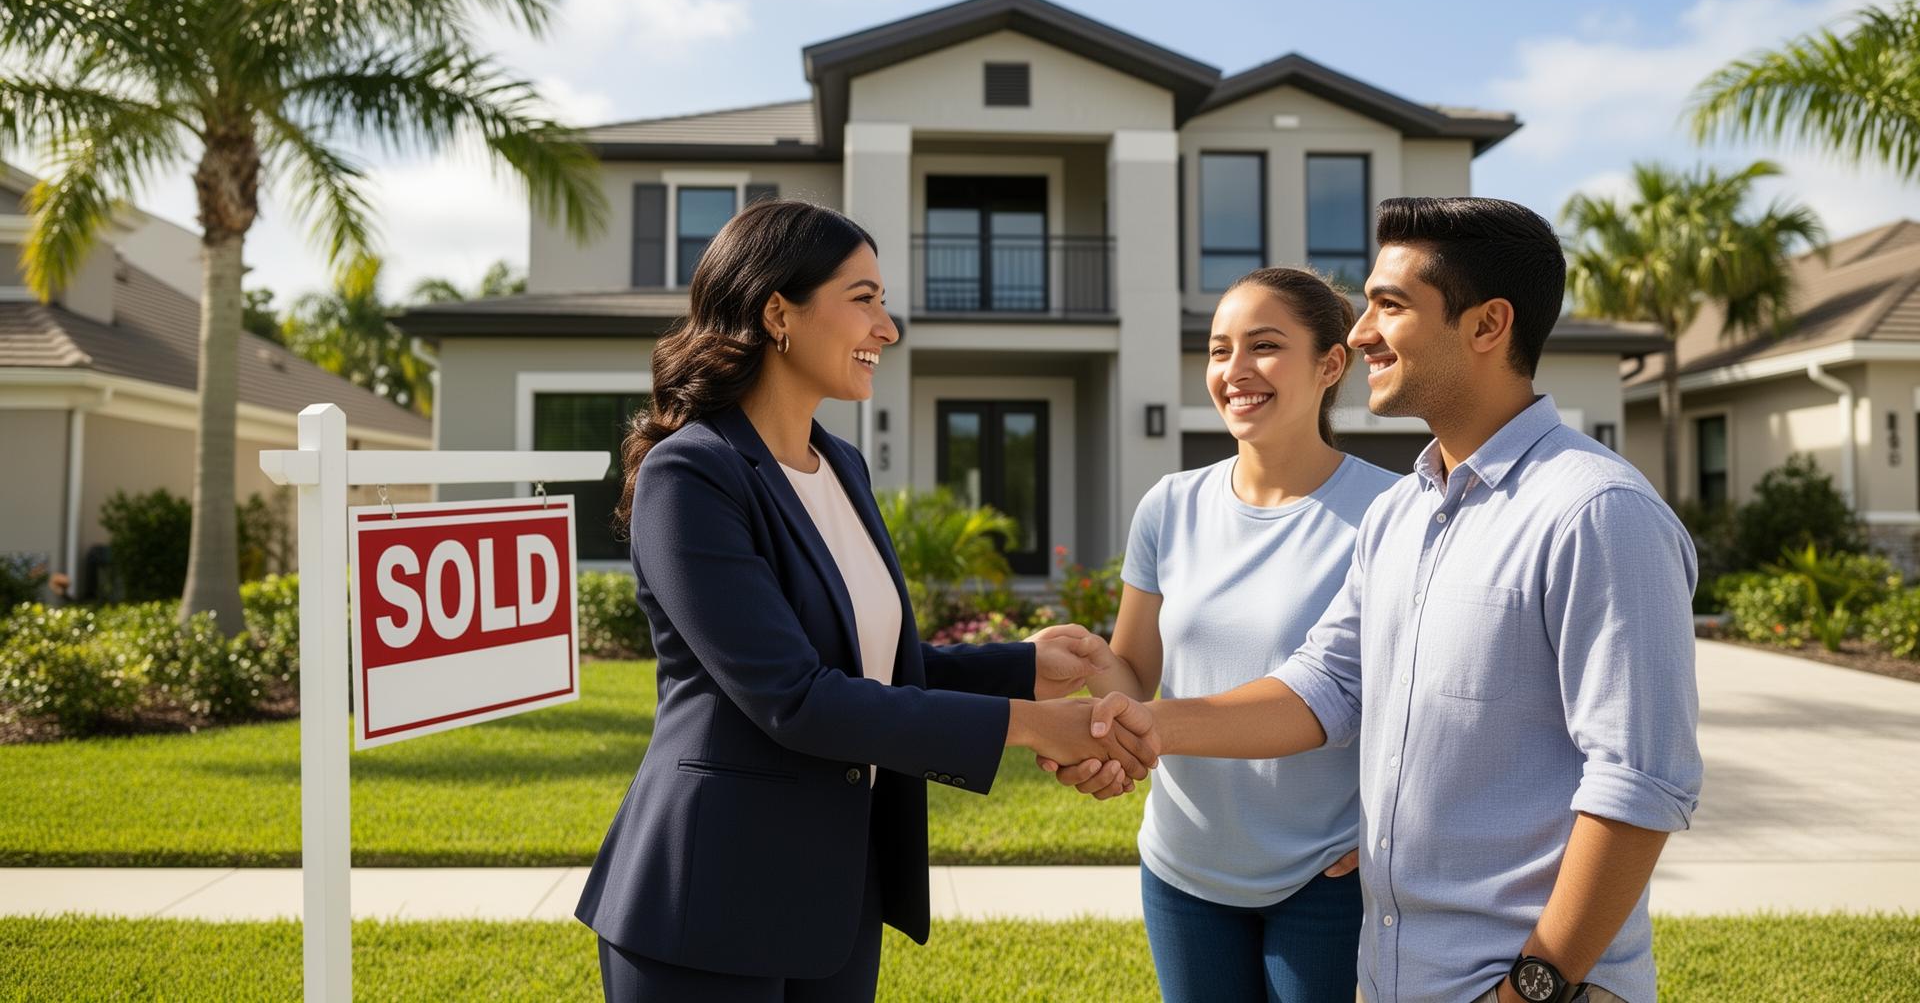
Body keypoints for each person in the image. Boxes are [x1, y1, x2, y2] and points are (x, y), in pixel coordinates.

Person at [1065, 198, 1703, 1003]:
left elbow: (1640, 783)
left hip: (1520, 984)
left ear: (1487, 325)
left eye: (1390, 305)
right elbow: (1325, 687)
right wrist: (1146, 723)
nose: (1361, 331)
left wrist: (1533, 989)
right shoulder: (1404, 511)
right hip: (1400, 975)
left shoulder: (1597, 513)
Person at [575, 199, 1152, 1002]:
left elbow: (875, 667)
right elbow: (795, 697)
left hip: (834, 900)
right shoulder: (691, 474)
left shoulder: (842, 465)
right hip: (702, 902)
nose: (888, 328)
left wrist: (1024, 670)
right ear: (779, 312)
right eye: (865, 299)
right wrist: (1029, 727)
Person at [1042, 267, 1395, 1001]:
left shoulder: (1389, 513)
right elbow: (1137, 676)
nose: (1235, 372)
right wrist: (1096, 666)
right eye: (1217, 350)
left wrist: (1390, 833)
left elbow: (1421, 704)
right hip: (1184, 866)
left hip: (1324, 869)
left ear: (1331, 364)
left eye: (1264, 347)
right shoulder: (1170, 505)